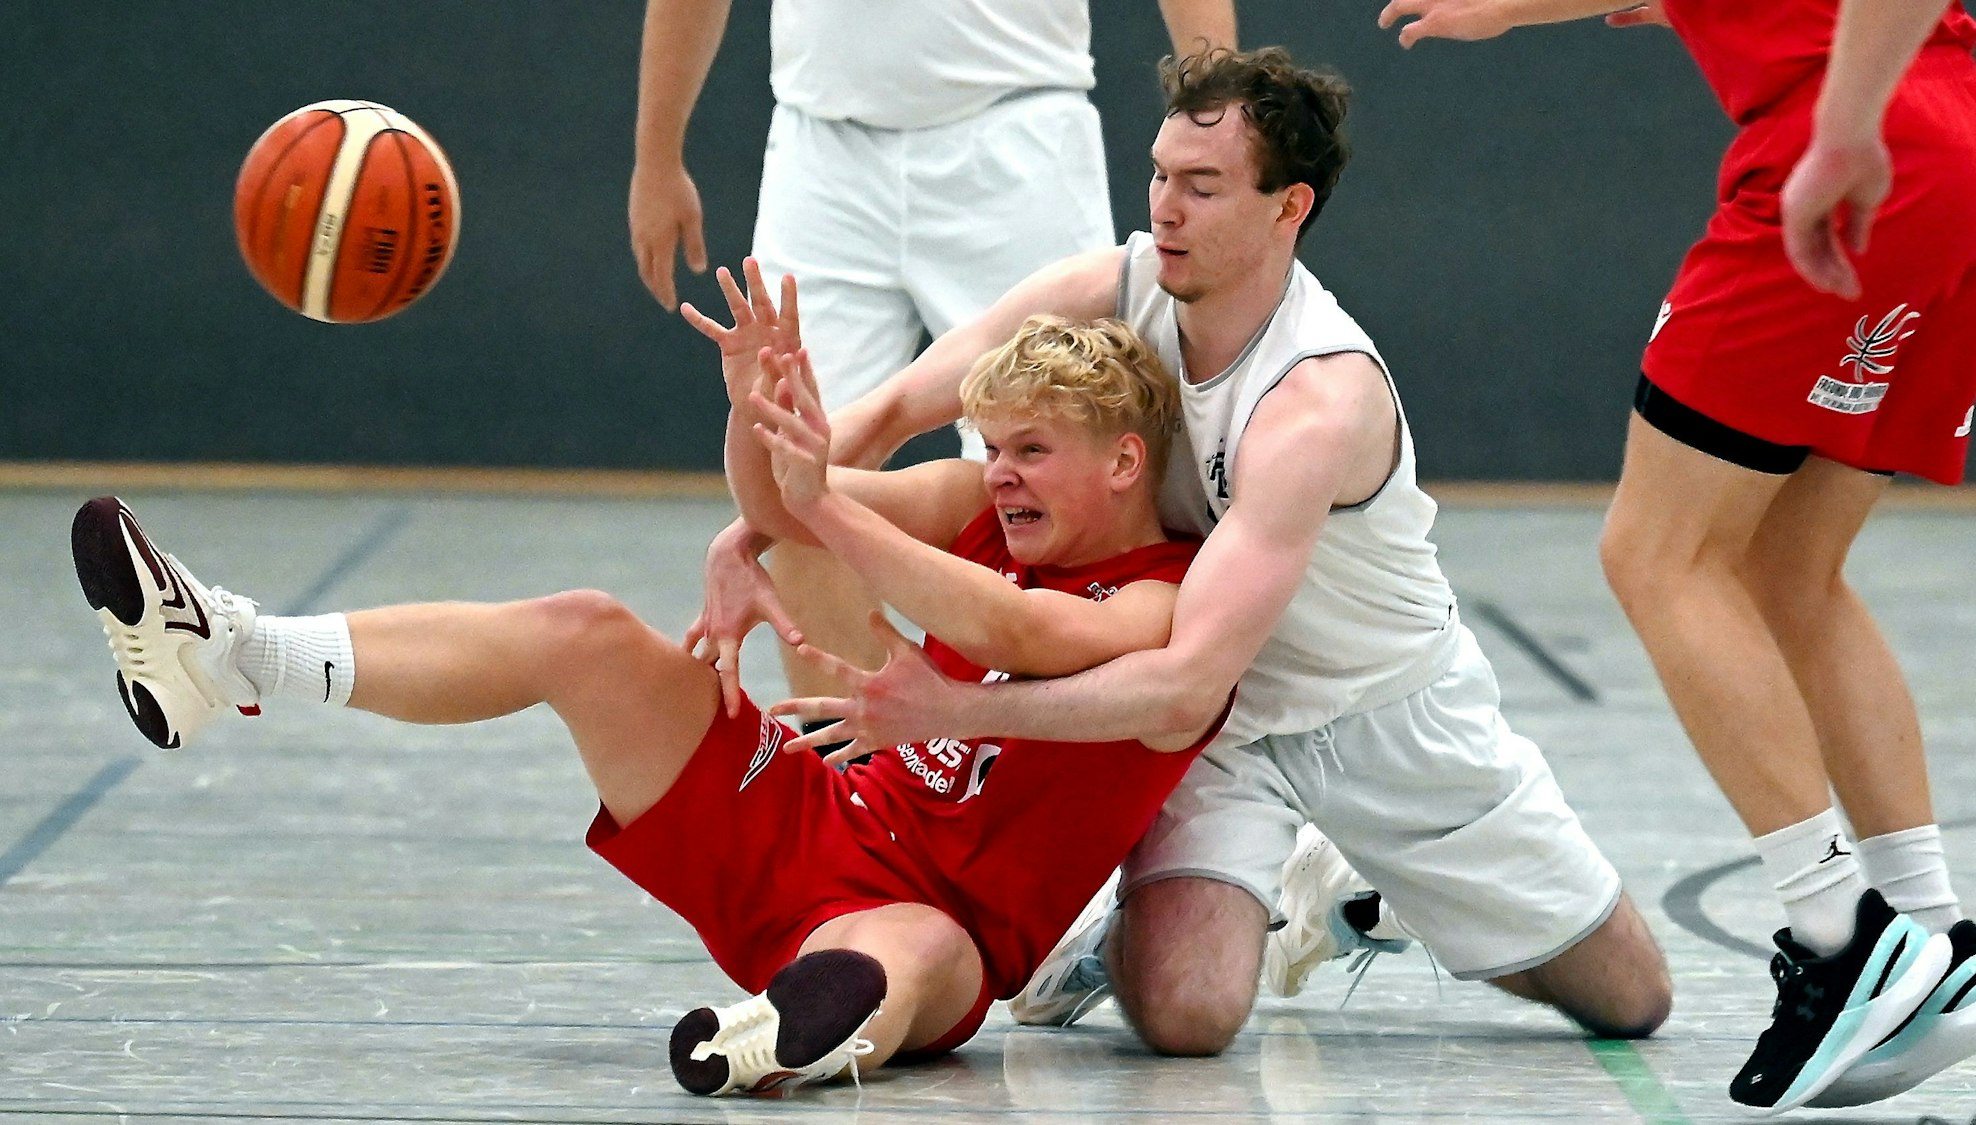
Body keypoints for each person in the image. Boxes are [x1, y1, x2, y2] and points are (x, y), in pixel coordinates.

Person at [707, 46, 1674, 1057]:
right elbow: (882, 416)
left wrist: (956, 708)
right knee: (1187, 1013)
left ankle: (1358, 892)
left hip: (1374, 705)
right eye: (1161, 175)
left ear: (1287, 207)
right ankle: (1107, 939)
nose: (1166, 208)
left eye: (1203, 187)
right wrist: (756, 529)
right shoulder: (1103, 287)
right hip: (1215, 720)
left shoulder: (1313, 399)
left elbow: (1179, 684)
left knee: (1630, 997)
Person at [70, 283, 1224, 1097]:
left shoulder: (1165, 601)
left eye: (1030, 451)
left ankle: (778, 1034)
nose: (1000, 473)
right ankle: (235, 654)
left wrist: (821, 505)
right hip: (817, 808)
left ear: (1123, 461)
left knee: (916, 956)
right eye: (993, 447)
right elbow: (778, 510)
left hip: (940, 919)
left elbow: (1018, 627)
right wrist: (753, 413)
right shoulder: (976, 504)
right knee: (584, 632)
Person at [1376, 0, 1976, 1111]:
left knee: (1654, 551)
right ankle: (1932, 932)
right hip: (1966, 141)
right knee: (1791, 567)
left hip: (1853, 136)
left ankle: (1838, 931)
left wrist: (1501, 8)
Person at [631, 0, 1237, 708]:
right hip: (819, 146)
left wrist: (1221, 127)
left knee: (1064, 472)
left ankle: (1029, 752)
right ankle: (848, 760)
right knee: (796, 446)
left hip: (1018, 132)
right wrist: (656, 155)